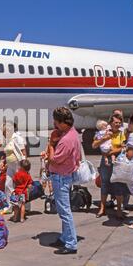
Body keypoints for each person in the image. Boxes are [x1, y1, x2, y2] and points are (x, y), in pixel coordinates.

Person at [47, 107, 81, 255]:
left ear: (61, 122)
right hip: (65, 175)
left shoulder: (66, 140)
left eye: (55, 120)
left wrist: (50, 146)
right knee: (63, 210)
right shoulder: (72, 133)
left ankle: (71, 243)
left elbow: (54, 160)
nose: (54, 123)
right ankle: (65, 237)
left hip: (60, 177)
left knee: (65, 212)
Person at [92, 113, 128, 220]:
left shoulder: (122, 134)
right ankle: (102, 208)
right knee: (104, 184)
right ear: (110, 123)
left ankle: (119, 210)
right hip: (106, 162)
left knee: (118, 185)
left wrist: (112, 151)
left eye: (119, 123)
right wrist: (105, 138)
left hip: (118, 162)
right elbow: (94, 145)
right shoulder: (104, 133)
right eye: (115, 122)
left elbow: (124, 147)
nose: (118, 124)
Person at [3, 121, 27, 197]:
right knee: (7, 184)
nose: (3, 134)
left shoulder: (17, 137)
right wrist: (4, 162)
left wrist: (24, 166)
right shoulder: (7, 139)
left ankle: (21, 203)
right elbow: (8, 153)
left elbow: (23, 152)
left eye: (4, 131)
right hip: (10, 166)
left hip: (18, 165)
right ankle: (10, 204)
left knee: (19, 184)